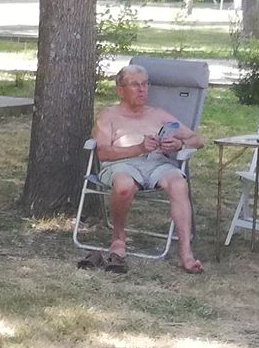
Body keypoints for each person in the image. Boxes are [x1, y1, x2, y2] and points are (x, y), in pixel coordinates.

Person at [86, 63, 207, 274]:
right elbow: (103, 153)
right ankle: (118, 236)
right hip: (120, 165)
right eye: (135, 85)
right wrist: (138, 148)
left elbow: (197, 139)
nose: (142, 90)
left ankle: (186, 254)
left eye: (145, 84)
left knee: (179, 183)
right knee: (123, 185)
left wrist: (179, 145)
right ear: (120, 90)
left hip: (158, 164)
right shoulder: (108, 116)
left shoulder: (158, 115)